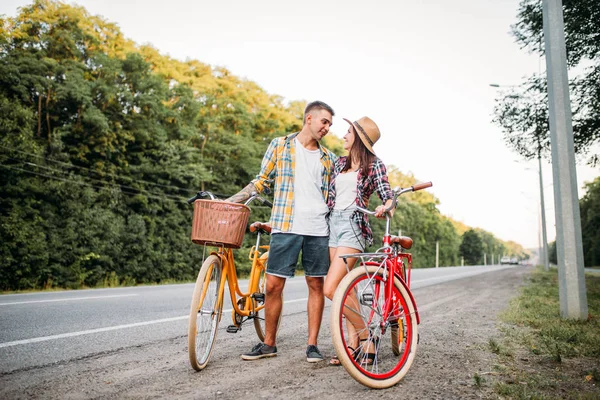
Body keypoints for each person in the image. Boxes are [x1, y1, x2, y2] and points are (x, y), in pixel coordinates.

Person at [226, 100, 337, 363]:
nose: (327, 128)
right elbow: (261, 182)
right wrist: (231, 201)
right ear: (309, 118)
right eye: (325, 122)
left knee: (316, 285)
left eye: (331, 125)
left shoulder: (329, 158)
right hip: (285, 225)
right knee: (274, 285)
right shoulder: (280, 145)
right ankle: (269, 344)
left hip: (319, 229)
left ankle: (312, 345)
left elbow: (335, 194)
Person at [322, 116, 394, 366]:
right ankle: (352, 347)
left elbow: (387, 194)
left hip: (354, 225)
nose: (343, 136)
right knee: (347, 288)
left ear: (359, 139)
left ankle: (367, 338)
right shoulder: (339, 163)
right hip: (333, 225)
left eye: (348, 133)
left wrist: (386, 206)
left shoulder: (374, 165)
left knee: (331, 288)